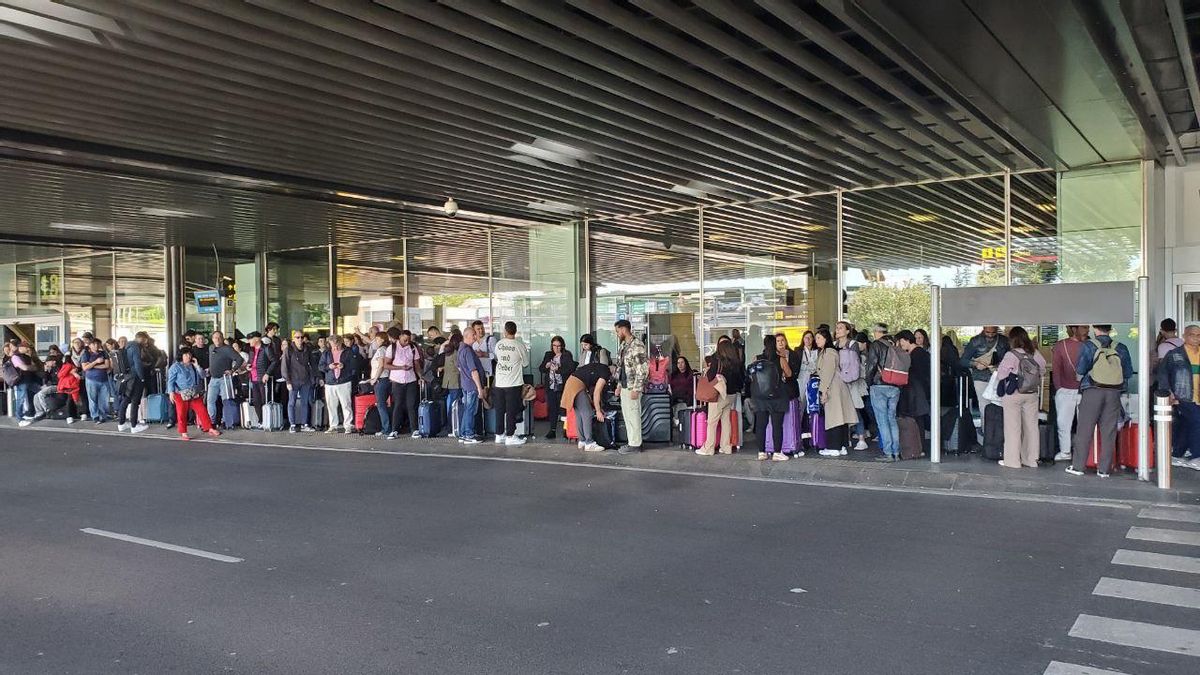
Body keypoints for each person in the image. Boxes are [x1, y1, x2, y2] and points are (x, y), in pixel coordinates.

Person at [1067, 325, 1133, 478]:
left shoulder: (1089, 345)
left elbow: (1081, 369)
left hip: (1093, 390)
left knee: (1084, 429)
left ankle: (1078, 466)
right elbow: (1128, 372)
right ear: (1110, 329)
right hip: (1114, 392)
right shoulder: (1121, 347)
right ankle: (1104, 469)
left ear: (1095, 329)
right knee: (1109, 431)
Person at [995, 327, 1045, 469]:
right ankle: (1031, 460)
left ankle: (1013, 461)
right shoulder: (1035, 353)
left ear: (1012, 339)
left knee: (1013, 428)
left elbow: (1001, 375)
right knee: (1031, 427)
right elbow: (1042, 370)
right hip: (1031, 394)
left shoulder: (1011, 355)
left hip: (1013, 395)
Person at [1158, 324, 1200, 469]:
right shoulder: (1175, 354)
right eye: (1192, 335)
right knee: (1197, 421)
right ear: (1184, 336)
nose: (1196, 338)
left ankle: (1177, 454)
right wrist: (1167, 391)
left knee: (1187, 424)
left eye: (1198, 335)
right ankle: (1197, 456)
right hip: (1183, 395)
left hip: (1198, 396)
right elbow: (1163, 373)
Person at [748, 335, 790, 461]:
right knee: (777, 425)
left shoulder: (757, 359)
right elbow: (789, 373)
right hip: (777, 396)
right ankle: (777, 452)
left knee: (761, 425)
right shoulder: (780, 359)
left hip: (760, 397)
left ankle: (761, 452)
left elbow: (752, 376)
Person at [1050, 325, 1088, 462]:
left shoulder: (1061, 346)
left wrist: (1059, 387)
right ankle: (1083, 453)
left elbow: (1056, 368)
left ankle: (1066, 452)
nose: (1087, 330)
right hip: (1083, 390)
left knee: (1064, 424)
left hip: (1068, 389)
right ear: (1074, 328)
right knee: (1084, 424)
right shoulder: (1089, 346)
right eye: (1084, 327)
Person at [166, 347, 221, 441]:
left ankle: (209, 428)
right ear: (181, 356)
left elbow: (203, 375)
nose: (188, 356)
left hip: (194, 392)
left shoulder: (192, 365)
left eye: (189, 354)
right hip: (180, 393)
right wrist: (171, 392)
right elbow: (170, 381)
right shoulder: (175, 367)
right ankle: (183, 432)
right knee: (181, 413)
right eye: (186, 354)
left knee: (202, 410)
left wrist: (197, 366)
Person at [817, 328, 857, 457]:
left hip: (832, 387)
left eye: (819, 338)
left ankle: (834, 447)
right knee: (841, 417)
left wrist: (824, 391)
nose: (817, 341)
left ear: (826, 339)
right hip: (837, 387)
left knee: (834, 418)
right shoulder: (830, 351)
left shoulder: (828, 352)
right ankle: (842, 446)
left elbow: (827, 373)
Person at [864, 324, 901, 461]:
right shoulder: (895, 344)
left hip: (879, 385)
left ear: (878, 332)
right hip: (895, 386)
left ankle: (887, 453)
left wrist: (869, 382)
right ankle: (896, 452)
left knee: (882, 420)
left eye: (874, 331)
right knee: (892, 419)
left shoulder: (876, 345)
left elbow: (872, 365)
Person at [696, 341, 739, 456]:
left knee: (712, 422)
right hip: (731, 395)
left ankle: (708, 448)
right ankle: (726, 447)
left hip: (719, 395)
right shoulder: (736, 362)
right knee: (726, 421)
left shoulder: (717, 360)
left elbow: (710, 376)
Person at [492, 321, 530, 445]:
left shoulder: (499, 344)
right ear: (515, 331)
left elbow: (497, 357)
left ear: (505, 331)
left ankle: (499, 434)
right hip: (513, 382)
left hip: (499, 382)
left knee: (499, 409)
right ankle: (510, 435)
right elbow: (525, 363)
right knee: (511, 410)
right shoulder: (519, 346)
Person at [613, 319, 648, 454]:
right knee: (628, 415)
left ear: (623, 329)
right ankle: (631, 441)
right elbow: (621, 368)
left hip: (633, 387)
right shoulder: (623, 346)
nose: (617, 334)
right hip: (625, 386)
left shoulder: (637, 345)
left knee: (633, 414)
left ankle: (635, 444)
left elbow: (642, 368)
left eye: (617, 331)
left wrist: (637, 388)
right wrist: (619, 385)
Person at [561, 360, 611, 452]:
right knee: (588, 413)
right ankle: (589, 443)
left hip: (571, 382)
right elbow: (597, 393)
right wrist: (598, 411)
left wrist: (599, 407)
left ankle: (582, 440)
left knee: (579, 414)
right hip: (577, 386)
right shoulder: (606, 372)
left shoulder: (599, 368)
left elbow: (593, 393)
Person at [960, 325, 1009, 412]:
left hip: (998, 377)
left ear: (997, 329)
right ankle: (986, 426)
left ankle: (996, 425)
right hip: (980, 378)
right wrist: (975, 364)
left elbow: (1009, 358)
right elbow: (963, 361)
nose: (990, 335)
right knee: (984, 407)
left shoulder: (1004, 341)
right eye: (988, 332)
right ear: (984, 328)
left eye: (993, 332)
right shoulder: (975, 341)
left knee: (1001, 406)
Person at [386, 329, 423, 439]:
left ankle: (414, 429)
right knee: (398, 405)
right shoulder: (392, 348)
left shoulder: (412, 348)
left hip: (411, 379)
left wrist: (420, 376)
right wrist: (400, 368)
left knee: (411, 405)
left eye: (408, 340)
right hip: (397, 380)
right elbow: (386, 365)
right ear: (400, 337)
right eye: (405, 340)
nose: (407, 342)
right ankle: (394, 430)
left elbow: (416, 363)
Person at [538, 335, 576, 439]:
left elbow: (570, 369)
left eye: (558, 346)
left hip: (562, 385)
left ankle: (566, 430)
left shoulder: (566, 355)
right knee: (552, 408)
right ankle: (552, 429)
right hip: (550, 386)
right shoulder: (548, 354)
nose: (556, 348)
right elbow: (541, 368)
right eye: (554, 346)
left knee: (563, 408)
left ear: (562, 346)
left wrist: (558, 369)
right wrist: (546, 366)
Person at [319, 333, 356, 434]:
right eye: (333, 345)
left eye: (337, 344)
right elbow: (320, 366)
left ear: (341, 343)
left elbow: (354, 366)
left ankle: (348, 425)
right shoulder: (326, 353)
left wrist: (344, 366)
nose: (335, 347)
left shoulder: (348, 352)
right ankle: (333, 426)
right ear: (330, 344)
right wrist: (328, 367)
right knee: (331, 405)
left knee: (346, 405)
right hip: (330, 382)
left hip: (344, 381)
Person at [281, 330, 316, 433]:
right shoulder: (288, 350)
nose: (300, 339)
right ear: (293, 339)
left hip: (305, 380)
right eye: (297, 337)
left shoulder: (307, 349)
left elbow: (313, 364)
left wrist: (317, 377)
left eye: (301, 337)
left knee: (305, 402)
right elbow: (285, 366)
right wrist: (288, 381)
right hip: (293, 380)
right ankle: (292, 424)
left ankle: (305, 424)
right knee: (292, 402)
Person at [456, 328, 487, 445]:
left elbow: (459, 367)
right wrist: (480, 388)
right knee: (470, 410)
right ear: (467, 336)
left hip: (465, 384)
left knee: (466, 409)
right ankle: (469, 433)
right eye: (473, 335)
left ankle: (464, 433)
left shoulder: (460, 349)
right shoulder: (468, 351)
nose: (475, 336)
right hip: (471, 385)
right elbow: (474, 372)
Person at [897, 329, 931, 435]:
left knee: (917, 418)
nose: (900, 344)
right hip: (915, 390)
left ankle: (918, 447)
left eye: (901, 341)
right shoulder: (914, 353)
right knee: (916, 418)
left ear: (907, 340)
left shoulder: (918, 354)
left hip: (917, 390)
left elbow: (920, 373)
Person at [206, 331, 244, 423]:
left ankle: (226, 421)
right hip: (213, 378)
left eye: (219, 337)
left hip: (225, 378)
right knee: (210, 400)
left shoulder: (228, 349)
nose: (217, 339)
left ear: (222, 338)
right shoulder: (211, 348)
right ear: (212, 339)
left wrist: (232, 370)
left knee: (226, 401)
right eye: (215, 337)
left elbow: (240, 359)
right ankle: (212, 421)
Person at [117, 332, 151, 434]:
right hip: (135, 377)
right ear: (140, 338)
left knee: (126, 399)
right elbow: (137, 363)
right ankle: (134, 425)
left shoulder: (127, 346)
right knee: (135, 401)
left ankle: (121, 423)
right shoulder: (135, 347)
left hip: (127, 377)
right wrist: (142, 378)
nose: (146, 342)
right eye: (145, 339)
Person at [435, 330, 464, 435]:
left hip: (448, 382)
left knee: (451, 404)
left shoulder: (448, 352)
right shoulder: (456, 353)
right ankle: (453, 427)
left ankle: (450, 427)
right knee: (455, 405)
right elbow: (459, 367)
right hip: (455, 382)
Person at [367, 330, 393, 437]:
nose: (376, 341)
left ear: (382, 339)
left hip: (381, 379)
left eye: (377, 339)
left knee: (381, 405)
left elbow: (381, 365)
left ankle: (386, 428)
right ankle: (389, 426)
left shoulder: (381, 350)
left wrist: (374, 378)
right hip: (387, 379)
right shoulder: (387, 349)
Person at [80, 338, 111, 423]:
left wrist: (92, 366)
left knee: (104, 399)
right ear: (89, 345)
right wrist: (96, 362)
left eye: (98, 344)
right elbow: (85, 368)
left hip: (104, 379)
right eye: (93, 344)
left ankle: (103, 415)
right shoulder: (86, 354)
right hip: (91, 380)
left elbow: (107, 365)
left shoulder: (104, 353)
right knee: (93, 399)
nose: (96, 346)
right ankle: (95, 416)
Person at [470, 320, 496, 385]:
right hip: (477, 374)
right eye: (478, 329)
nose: (481, 330)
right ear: (474, 331)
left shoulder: (490, 340)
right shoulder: (473, 343)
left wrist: (484, 354)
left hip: (488, 374)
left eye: (482, 328)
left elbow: (497, 356)